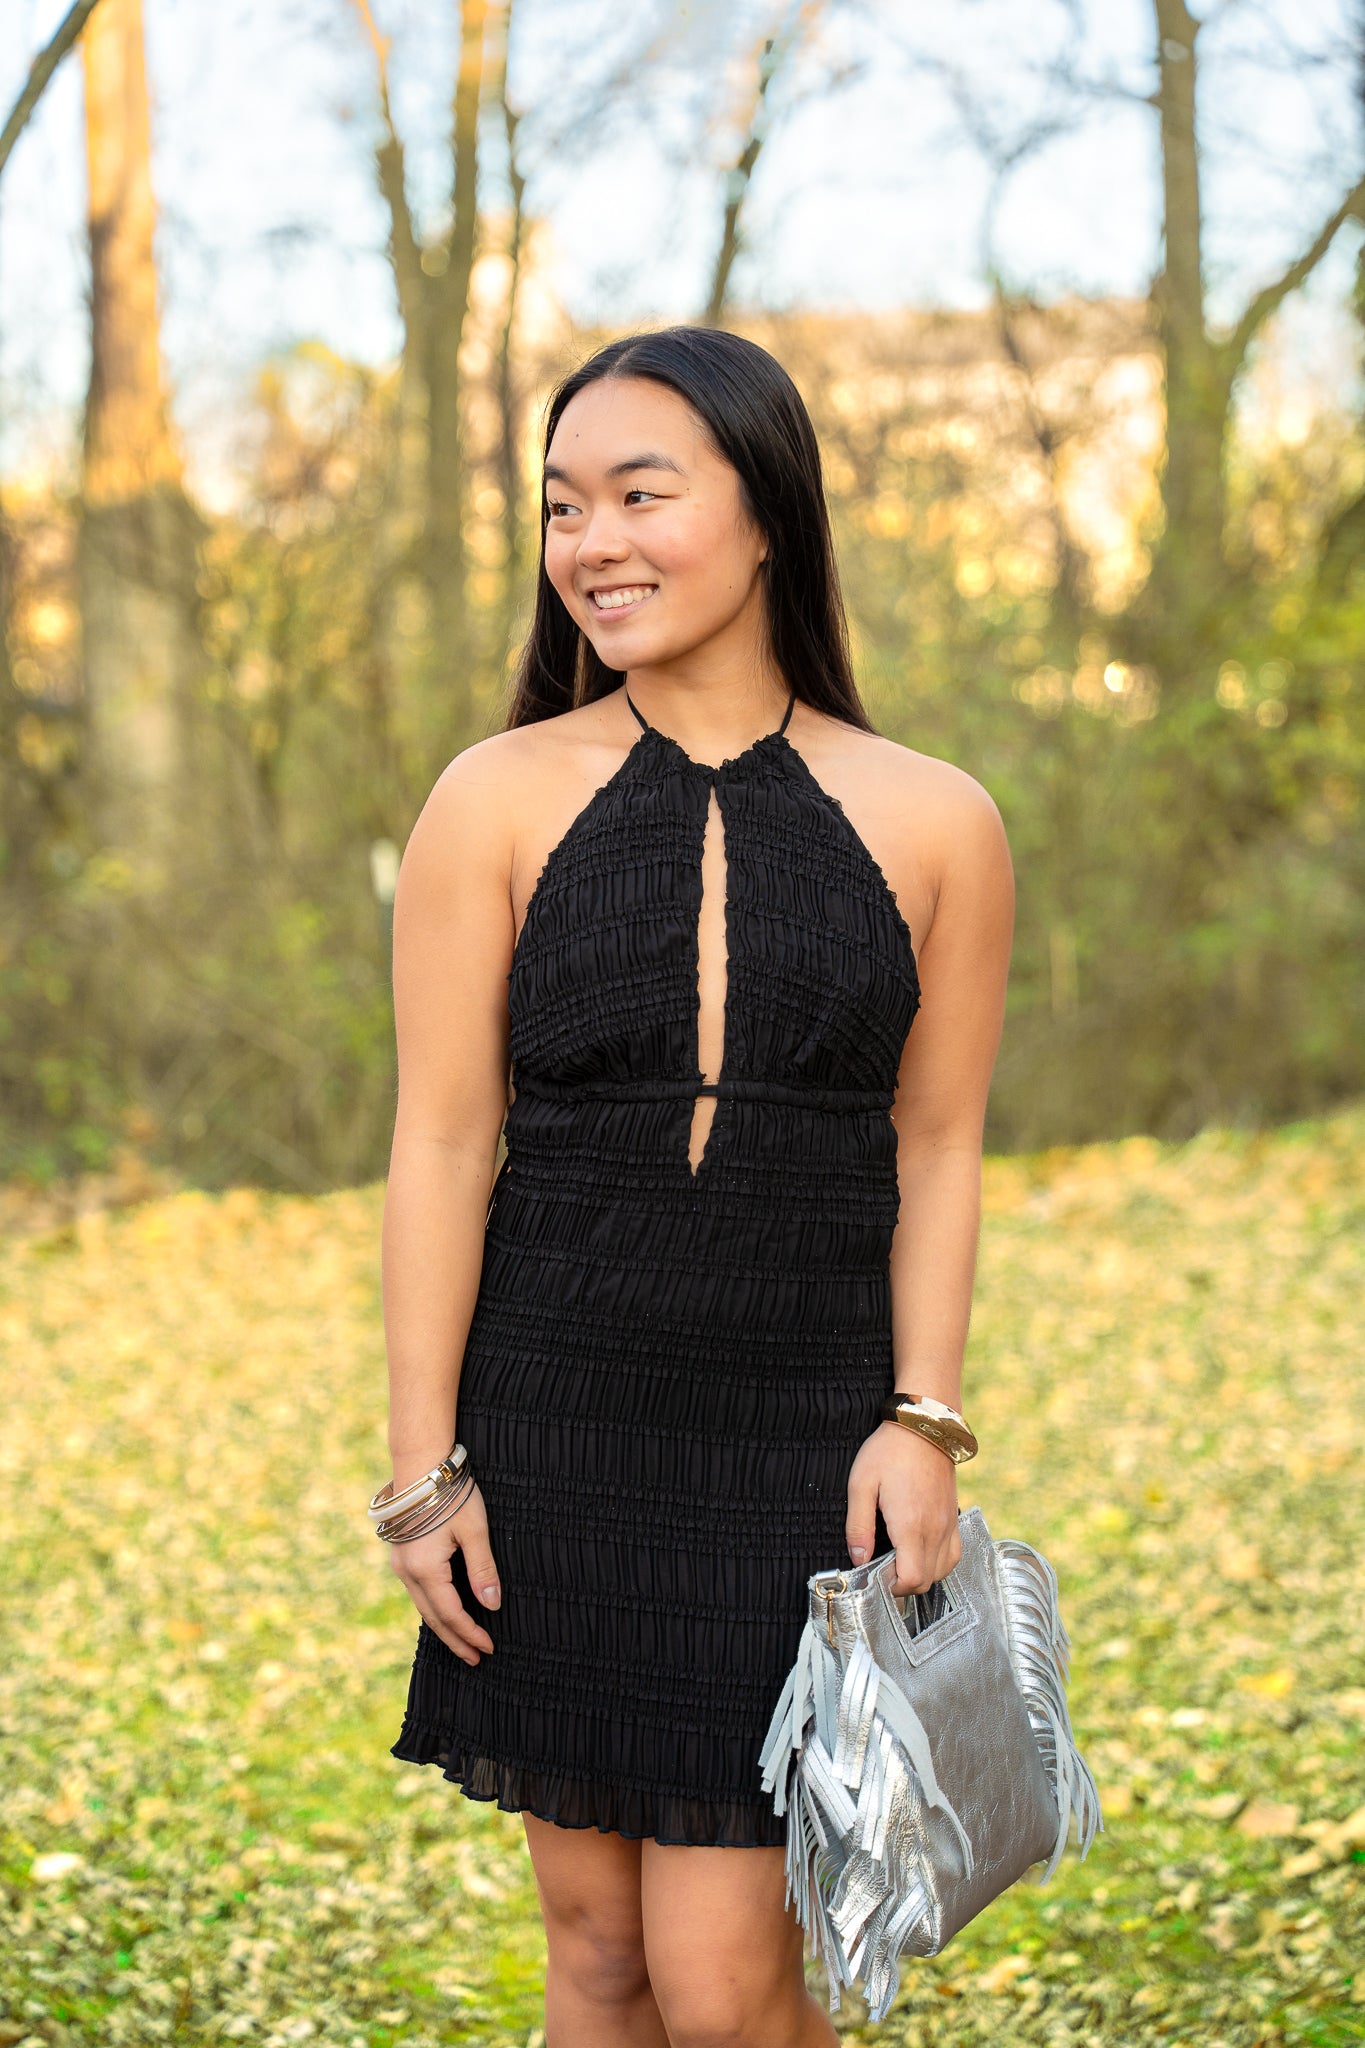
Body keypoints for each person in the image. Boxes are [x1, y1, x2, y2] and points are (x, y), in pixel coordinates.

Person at [379, 324, 1014, 2047]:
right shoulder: (490, 800)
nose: (592, 542)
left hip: (799, 1450)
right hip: (556, 1436)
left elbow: (938, 1141)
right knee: (596, 1957)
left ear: (766, 511)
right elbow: (439, 1141)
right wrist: (424, 1474)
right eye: (561, 505)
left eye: (639, 495)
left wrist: (925, 1419)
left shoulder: (937, 818)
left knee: (730, 1988)